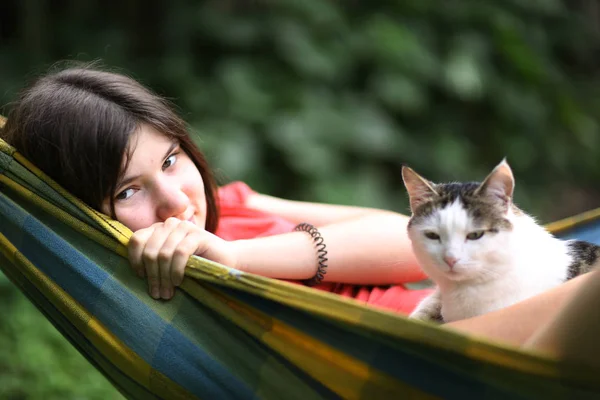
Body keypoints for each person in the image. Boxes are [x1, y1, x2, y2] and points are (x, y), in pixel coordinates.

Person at [2, 63, 599, 369]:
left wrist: (239, 253)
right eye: (129, 191)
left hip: (475, 317)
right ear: (85, 213)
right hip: (419, 366)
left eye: (174, 158)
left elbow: (396, 235)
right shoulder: (147, 279)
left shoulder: (231, 206)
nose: (176, 199)